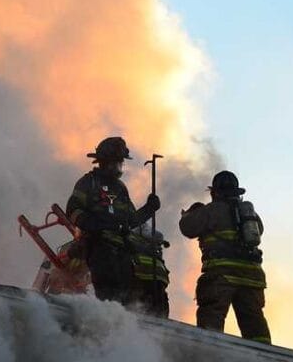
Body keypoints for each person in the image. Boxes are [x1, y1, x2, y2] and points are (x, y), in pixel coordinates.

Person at [65, 136, 161, 306]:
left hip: (122, 252)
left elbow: (131, 220)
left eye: (120, 162)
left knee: (126, 298)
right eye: (116, 162)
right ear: (103, 161)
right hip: (99, 248)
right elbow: (72, 210)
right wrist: (94, 225)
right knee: (108, 297)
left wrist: (149, 208)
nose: (119, 166)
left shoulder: (121, 188)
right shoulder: (89, 182)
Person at [179, 170, 271, 343]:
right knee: (254, 323)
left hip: (222, 276)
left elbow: (188, 228)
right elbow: (260, 232)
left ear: (215, 192)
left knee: (211, 318)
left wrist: (190, 214)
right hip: (252, 277)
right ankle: (265, 360)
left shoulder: (211, 210)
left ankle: (210, 356)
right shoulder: (250, 215)